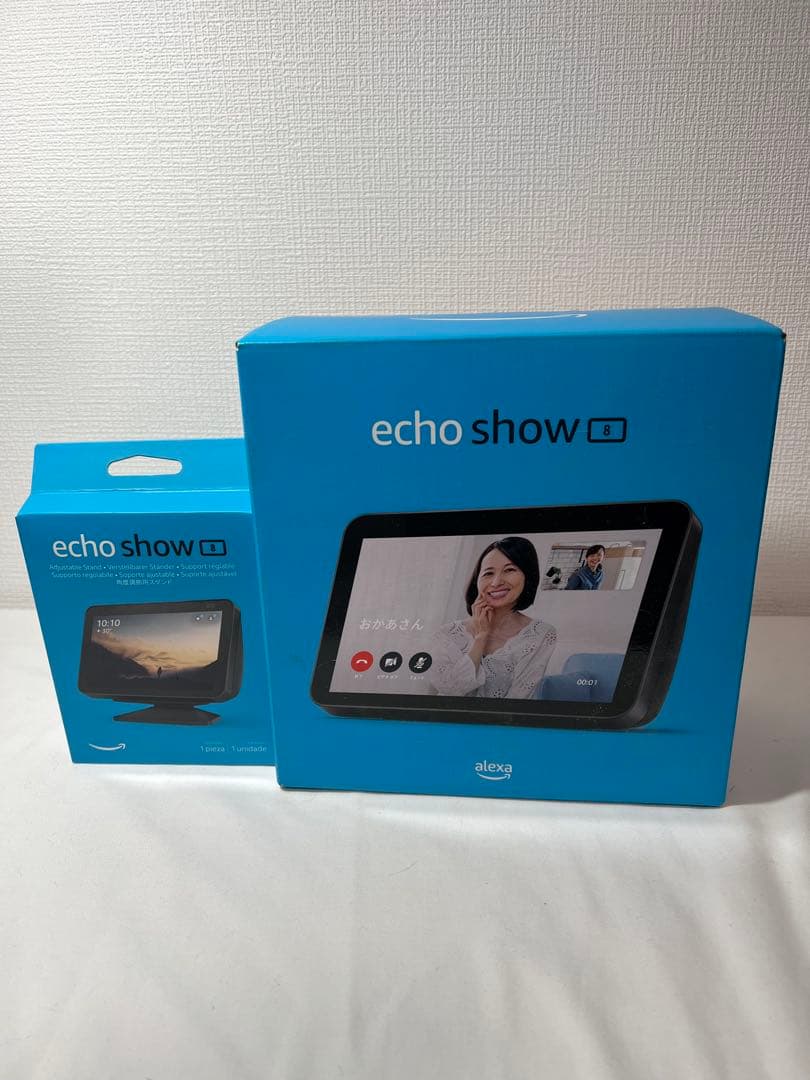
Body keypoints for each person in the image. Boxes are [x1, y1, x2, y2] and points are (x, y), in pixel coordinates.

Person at [429, 536, 557, 699]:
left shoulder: (541, 634)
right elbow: (449, 691)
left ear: (528, 575)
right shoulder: (447, 633)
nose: (496, 582)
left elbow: (520, 698)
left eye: (509, 570)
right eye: (488, 573)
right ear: (477, 581)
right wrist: (480, 638)